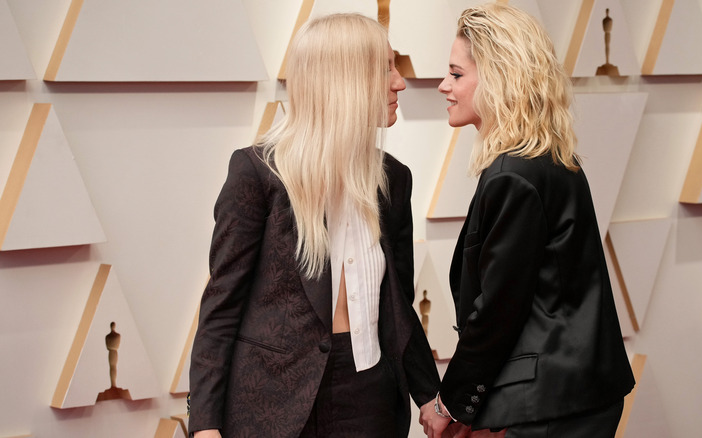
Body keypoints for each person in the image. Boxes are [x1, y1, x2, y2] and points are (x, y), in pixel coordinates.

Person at [188, 13, 440, 438]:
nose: (399, 82)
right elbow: (221, 308)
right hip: (273, 406)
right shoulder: (257, 173)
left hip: (370, 400)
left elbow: (399, 308)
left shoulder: (394, 179)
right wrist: (205, 425)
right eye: (385, 68)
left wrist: (431, 396)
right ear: (344, 80)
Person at [420, 4, 635, 437]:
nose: (444, 85)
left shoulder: (512, 175)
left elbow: (498, 310)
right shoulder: (552, 159)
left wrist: (449, 403)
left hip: (549, 406)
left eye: (457, 75)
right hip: (578, 394)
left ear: (499, 78)